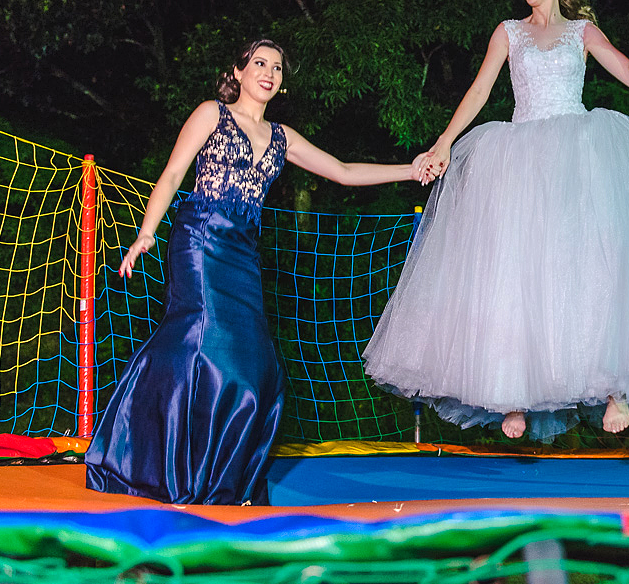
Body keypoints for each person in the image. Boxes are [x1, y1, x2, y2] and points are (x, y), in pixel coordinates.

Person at [362, 0, 629, 442]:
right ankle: (511, 394)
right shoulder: (508, 33)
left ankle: (614, 386)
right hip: (518, 157)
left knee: (590, 268)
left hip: (578, 154)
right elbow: (479, 91)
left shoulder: (582, 31)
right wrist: (445, 143)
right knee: (515, 272)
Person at [86, 39, 428, 504]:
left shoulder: (283, 137)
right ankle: (151, 459)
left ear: (282, 83)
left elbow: (344, 170)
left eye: (277, 68)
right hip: (201, 240)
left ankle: (217, 474)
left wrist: (410, 170)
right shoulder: (212, 113)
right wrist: (147, 232)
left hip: (243, 254)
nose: (269, 72)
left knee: (253, 368)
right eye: (260, 64)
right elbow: (171, 175)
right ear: (239, 72)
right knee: (203, 347)